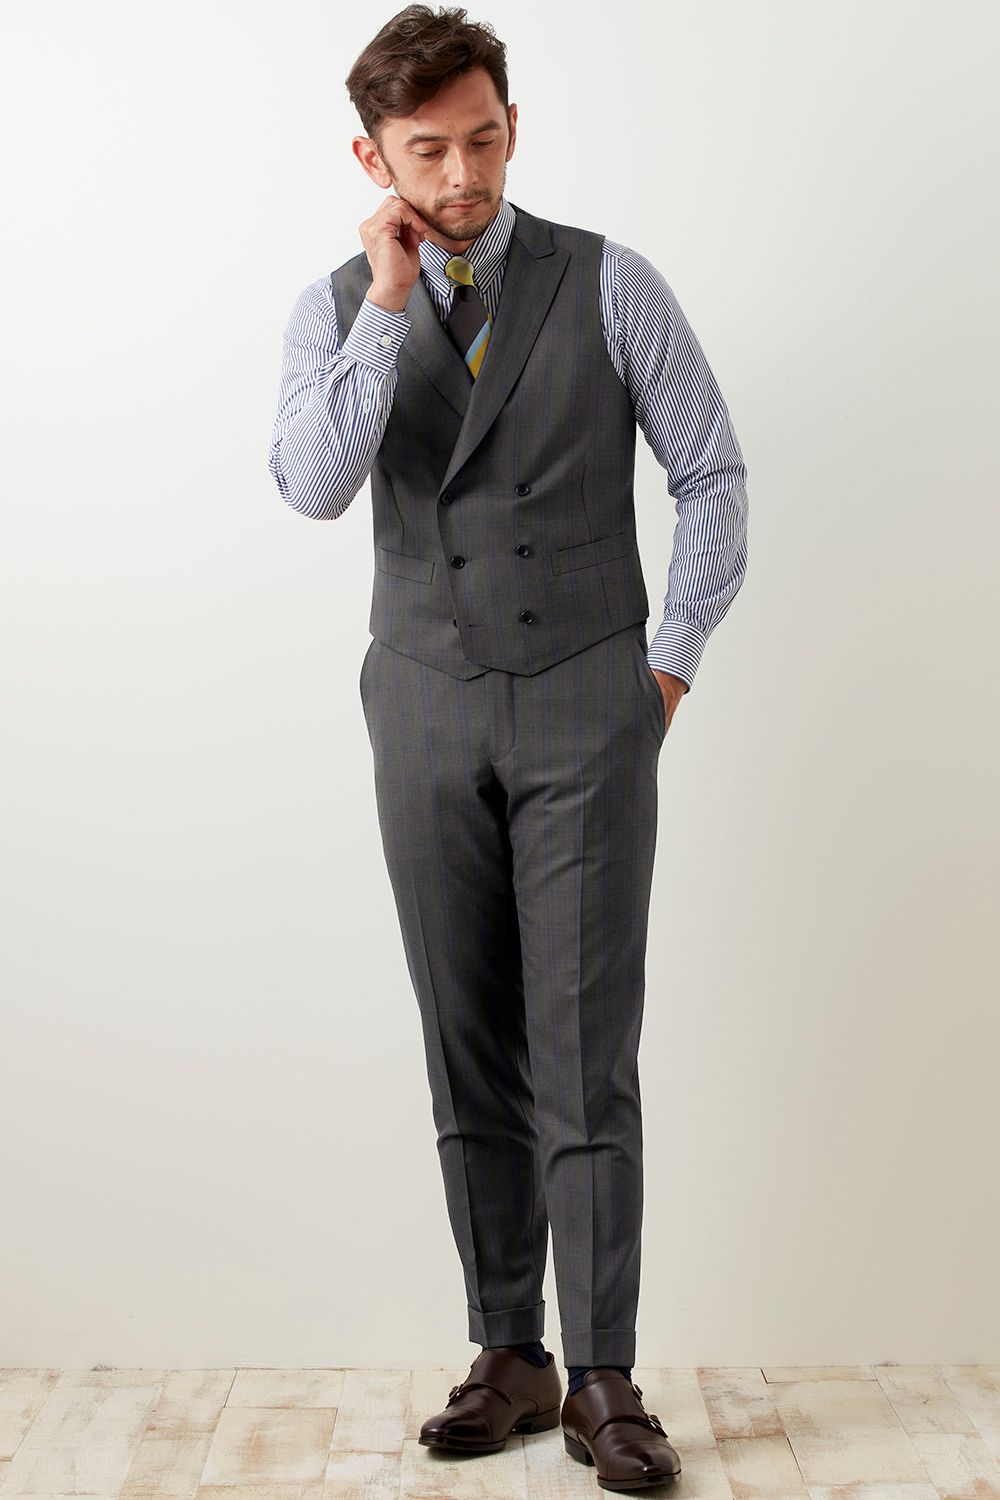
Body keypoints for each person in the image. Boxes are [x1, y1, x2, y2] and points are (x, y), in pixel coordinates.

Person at [268, 4, 748, 1488]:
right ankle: (508, 1353)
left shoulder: (614, 282)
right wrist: (387, 302)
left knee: (585, 1048)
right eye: (429, 151)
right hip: (422, 700)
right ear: (374, 157)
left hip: (589, 698)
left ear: (513, 126)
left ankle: (604, 1374)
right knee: (464, 1037)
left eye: (484, 140)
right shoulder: (337, 304)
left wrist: (667, 667)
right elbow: (312, 484)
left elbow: (711, 469)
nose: (465, 174)